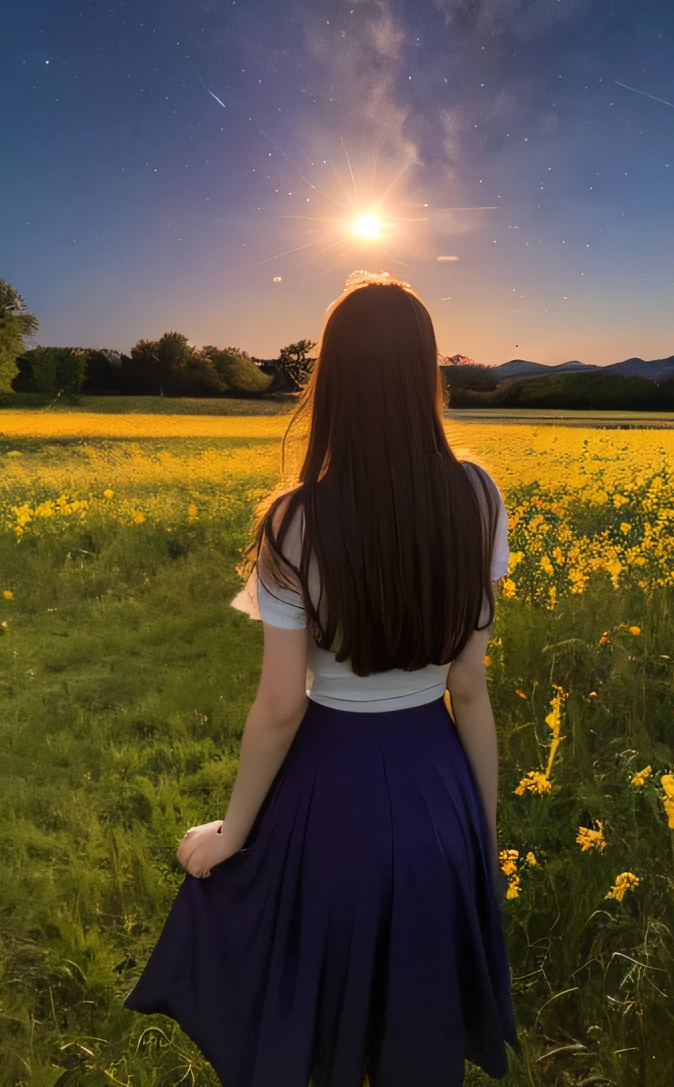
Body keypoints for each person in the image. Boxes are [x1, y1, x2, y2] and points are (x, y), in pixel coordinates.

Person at [124, 271, 521, 1086]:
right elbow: (469, 688)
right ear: (427, 375)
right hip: (438, 784)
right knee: (412, 1010)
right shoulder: (479, 497)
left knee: (315, 1000)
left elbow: (278, 707)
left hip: (329, 785)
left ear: (330, 378)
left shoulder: (295, 521)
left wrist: (231, 834)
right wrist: (477, 829)